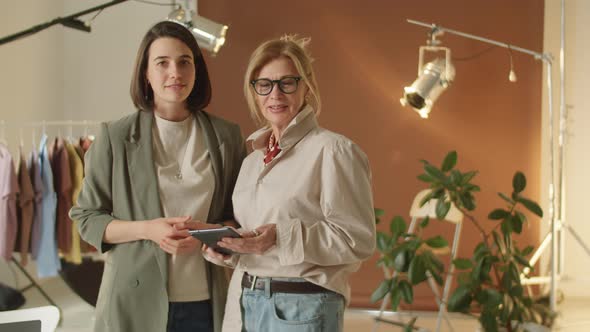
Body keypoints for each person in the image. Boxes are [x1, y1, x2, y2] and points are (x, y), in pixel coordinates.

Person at [69, 21, 246, 332]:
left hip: (207, 301)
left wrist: (211, 232)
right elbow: (86, 217)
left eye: (184, 62)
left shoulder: (227, 136)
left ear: (197, 71)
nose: (174, 72)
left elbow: (241, 220)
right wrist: (149, 229)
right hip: (134, 300)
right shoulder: (115, 136)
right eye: (162, 63)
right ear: (146, 74)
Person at [203, 35, 376, 332]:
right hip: (244, 301)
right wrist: (229, 246)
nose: (275, 94)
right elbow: (259, 241)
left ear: (306, 86)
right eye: (265, 84)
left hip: (301, 307)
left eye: (287, 82)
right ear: (254, 91)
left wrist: (279, 237)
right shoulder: (251, 162)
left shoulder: (333, 150)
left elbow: (357, 239)